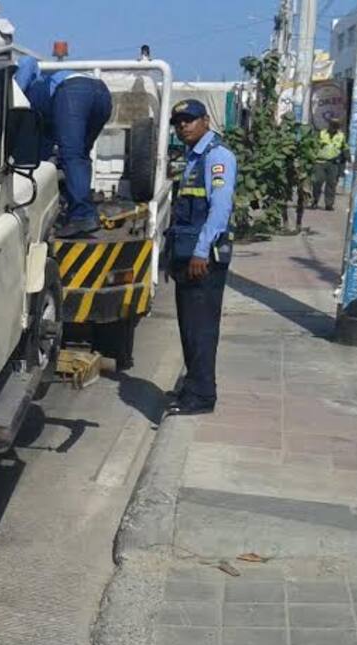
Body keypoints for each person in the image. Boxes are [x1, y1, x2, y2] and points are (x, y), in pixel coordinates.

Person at [165, 99, 237, 416]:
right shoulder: (194, 158)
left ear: (205, 120)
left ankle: (202, 396)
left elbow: (219, 210)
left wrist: (199, 252)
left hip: (202, 259)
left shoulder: (217, 157)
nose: (183, 126)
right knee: (189, 328)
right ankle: (193, 387)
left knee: (202, 329)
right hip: (187, 256)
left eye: (189, 120)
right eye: (179, 121)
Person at [16, 55, 113, 238]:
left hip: (73, 92)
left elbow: (27, 61)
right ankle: (81, 208)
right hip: (101, 92)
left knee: (72, 156)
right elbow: (42, 154)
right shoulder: (47, 97)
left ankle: (82, 216)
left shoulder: (22, 93)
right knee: (80, 156)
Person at [311, 118, 347, 211]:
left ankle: (329, 204)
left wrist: (345, 161)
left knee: (331, 184)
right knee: (317, 181)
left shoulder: (341, 136)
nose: (334, 128)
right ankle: (314, 201)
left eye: (336, 126)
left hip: (333, 163)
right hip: (320, 162)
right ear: (329, 125)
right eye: (333, 125)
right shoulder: (322, 133)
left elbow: (345, 149)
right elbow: (313, 145)